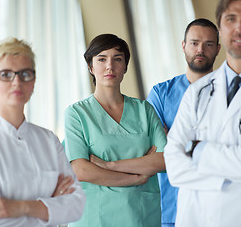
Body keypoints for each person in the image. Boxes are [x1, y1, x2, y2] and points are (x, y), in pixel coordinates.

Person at [164, 0, 241, 226]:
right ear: (221, 27)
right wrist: (238, 157)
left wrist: (196, 149)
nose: (239, 28)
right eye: (230, 19)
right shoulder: (197, 92)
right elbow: (174, 167)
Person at [0, 38, 85, 227]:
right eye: (5, 74)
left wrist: (20, 207)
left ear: (33, 81)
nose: (17, 81)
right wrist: (51, 204)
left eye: (25, 74)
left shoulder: (48, 140)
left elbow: (76, 206)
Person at [64, 34, 167, 227]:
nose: (110, 66)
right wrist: (136, 178)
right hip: (95, 217)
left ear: (125, 66)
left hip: (141, 215)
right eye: (102, 59)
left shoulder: (144, 110)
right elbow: (81, 170)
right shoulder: (77, 114)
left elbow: (164, 159)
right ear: (91, 67)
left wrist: (109, 166)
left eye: (117, 59)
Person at [147, 18, 220, 227]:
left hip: (218, 204)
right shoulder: (161, 94)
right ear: (183, 46)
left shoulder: (230, 94)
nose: (201, 50)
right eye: (194, 43)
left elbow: (231, 144)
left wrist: (176, 140)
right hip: (171, 207)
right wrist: (203, 146)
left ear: (218, 49)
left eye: (209, 44)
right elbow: (156, 148)